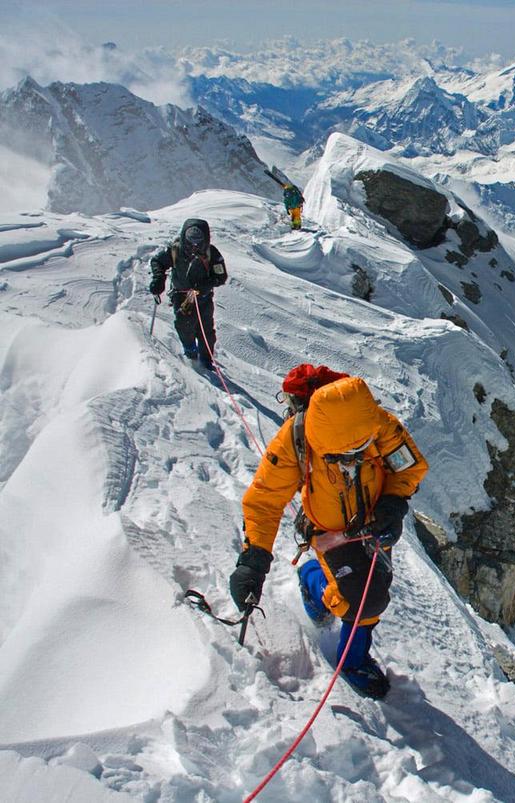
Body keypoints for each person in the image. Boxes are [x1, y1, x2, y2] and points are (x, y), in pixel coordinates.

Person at [230, 367, 429, 699]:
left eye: (358, 450)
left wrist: (393, 503)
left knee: (376, 586)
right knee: (364, 601)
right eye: (338, 456)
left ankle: (312, 580)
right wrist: (253, 559)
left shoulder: (378, 424)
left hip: (374, 522)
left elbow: (408, 466)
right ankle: (351, 658)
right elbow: (264, 500)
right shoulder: (296, 439)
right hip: (329, 530)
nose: (349, 460)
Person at [149, 219, 227, 370]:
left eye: (199, 239)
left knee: (206, 330)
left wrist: (205, 285)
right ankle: (190, 351)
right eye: (191, 238)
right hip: (182, 296)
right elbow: (157, 261)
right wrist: (159, 278)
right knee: (184, 325)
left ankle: (206, 360)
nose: (195, 244)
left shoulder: (212, 253)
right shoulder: (175, 250)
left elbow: (221, 276)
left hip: (203, 296)